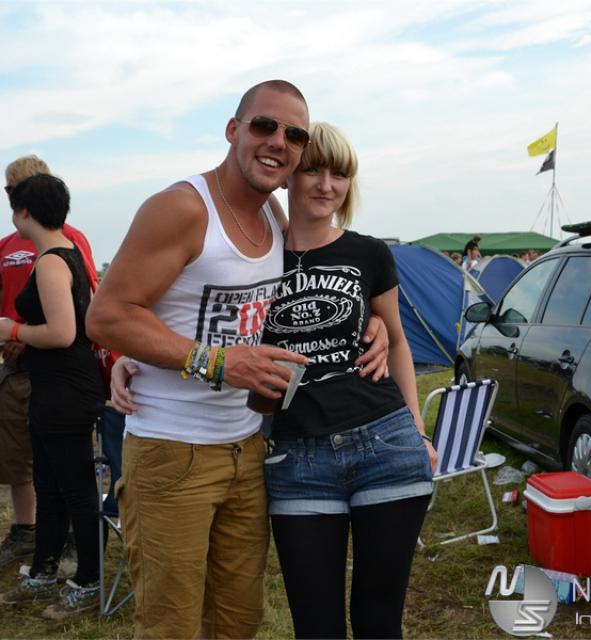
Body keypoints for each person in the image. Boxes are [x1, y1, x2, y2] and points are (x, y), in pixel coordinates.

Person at [86, 80, 388, 640]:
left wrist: (373, 321)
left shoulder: (273, 213)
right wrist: (216, 363)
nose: (278, 142)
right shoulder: (182, 208)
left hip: (248, 450)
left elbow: (308, 285)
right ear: (233, 129)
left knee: (238, 621)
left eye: (294, 135)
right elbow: (107, 316)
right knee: (172, 626)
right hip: (172, 451)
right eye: (264, 126)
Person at [260, 122, 437, 639]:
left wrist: (418, 429)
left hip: (386, 444)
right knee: (316, 627)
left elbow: (397, 342)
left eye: (339, 174)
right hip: (298, 459)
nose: (326, 185)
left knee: (379, 622)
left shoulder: (369, 253)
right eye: (313, 169)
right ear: (288, 174)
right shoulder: (256, 257)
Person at [0, 174, 105, 618]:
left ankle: (91, 579)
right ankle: (44, 571)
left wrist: (12, 330)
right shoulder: (66, 252)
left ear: (24, 212)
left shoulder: (50, 262)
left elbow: (63, 333)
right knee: (49, 483)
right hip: (54, 388)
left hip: (65, 390)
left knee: (75, 489)